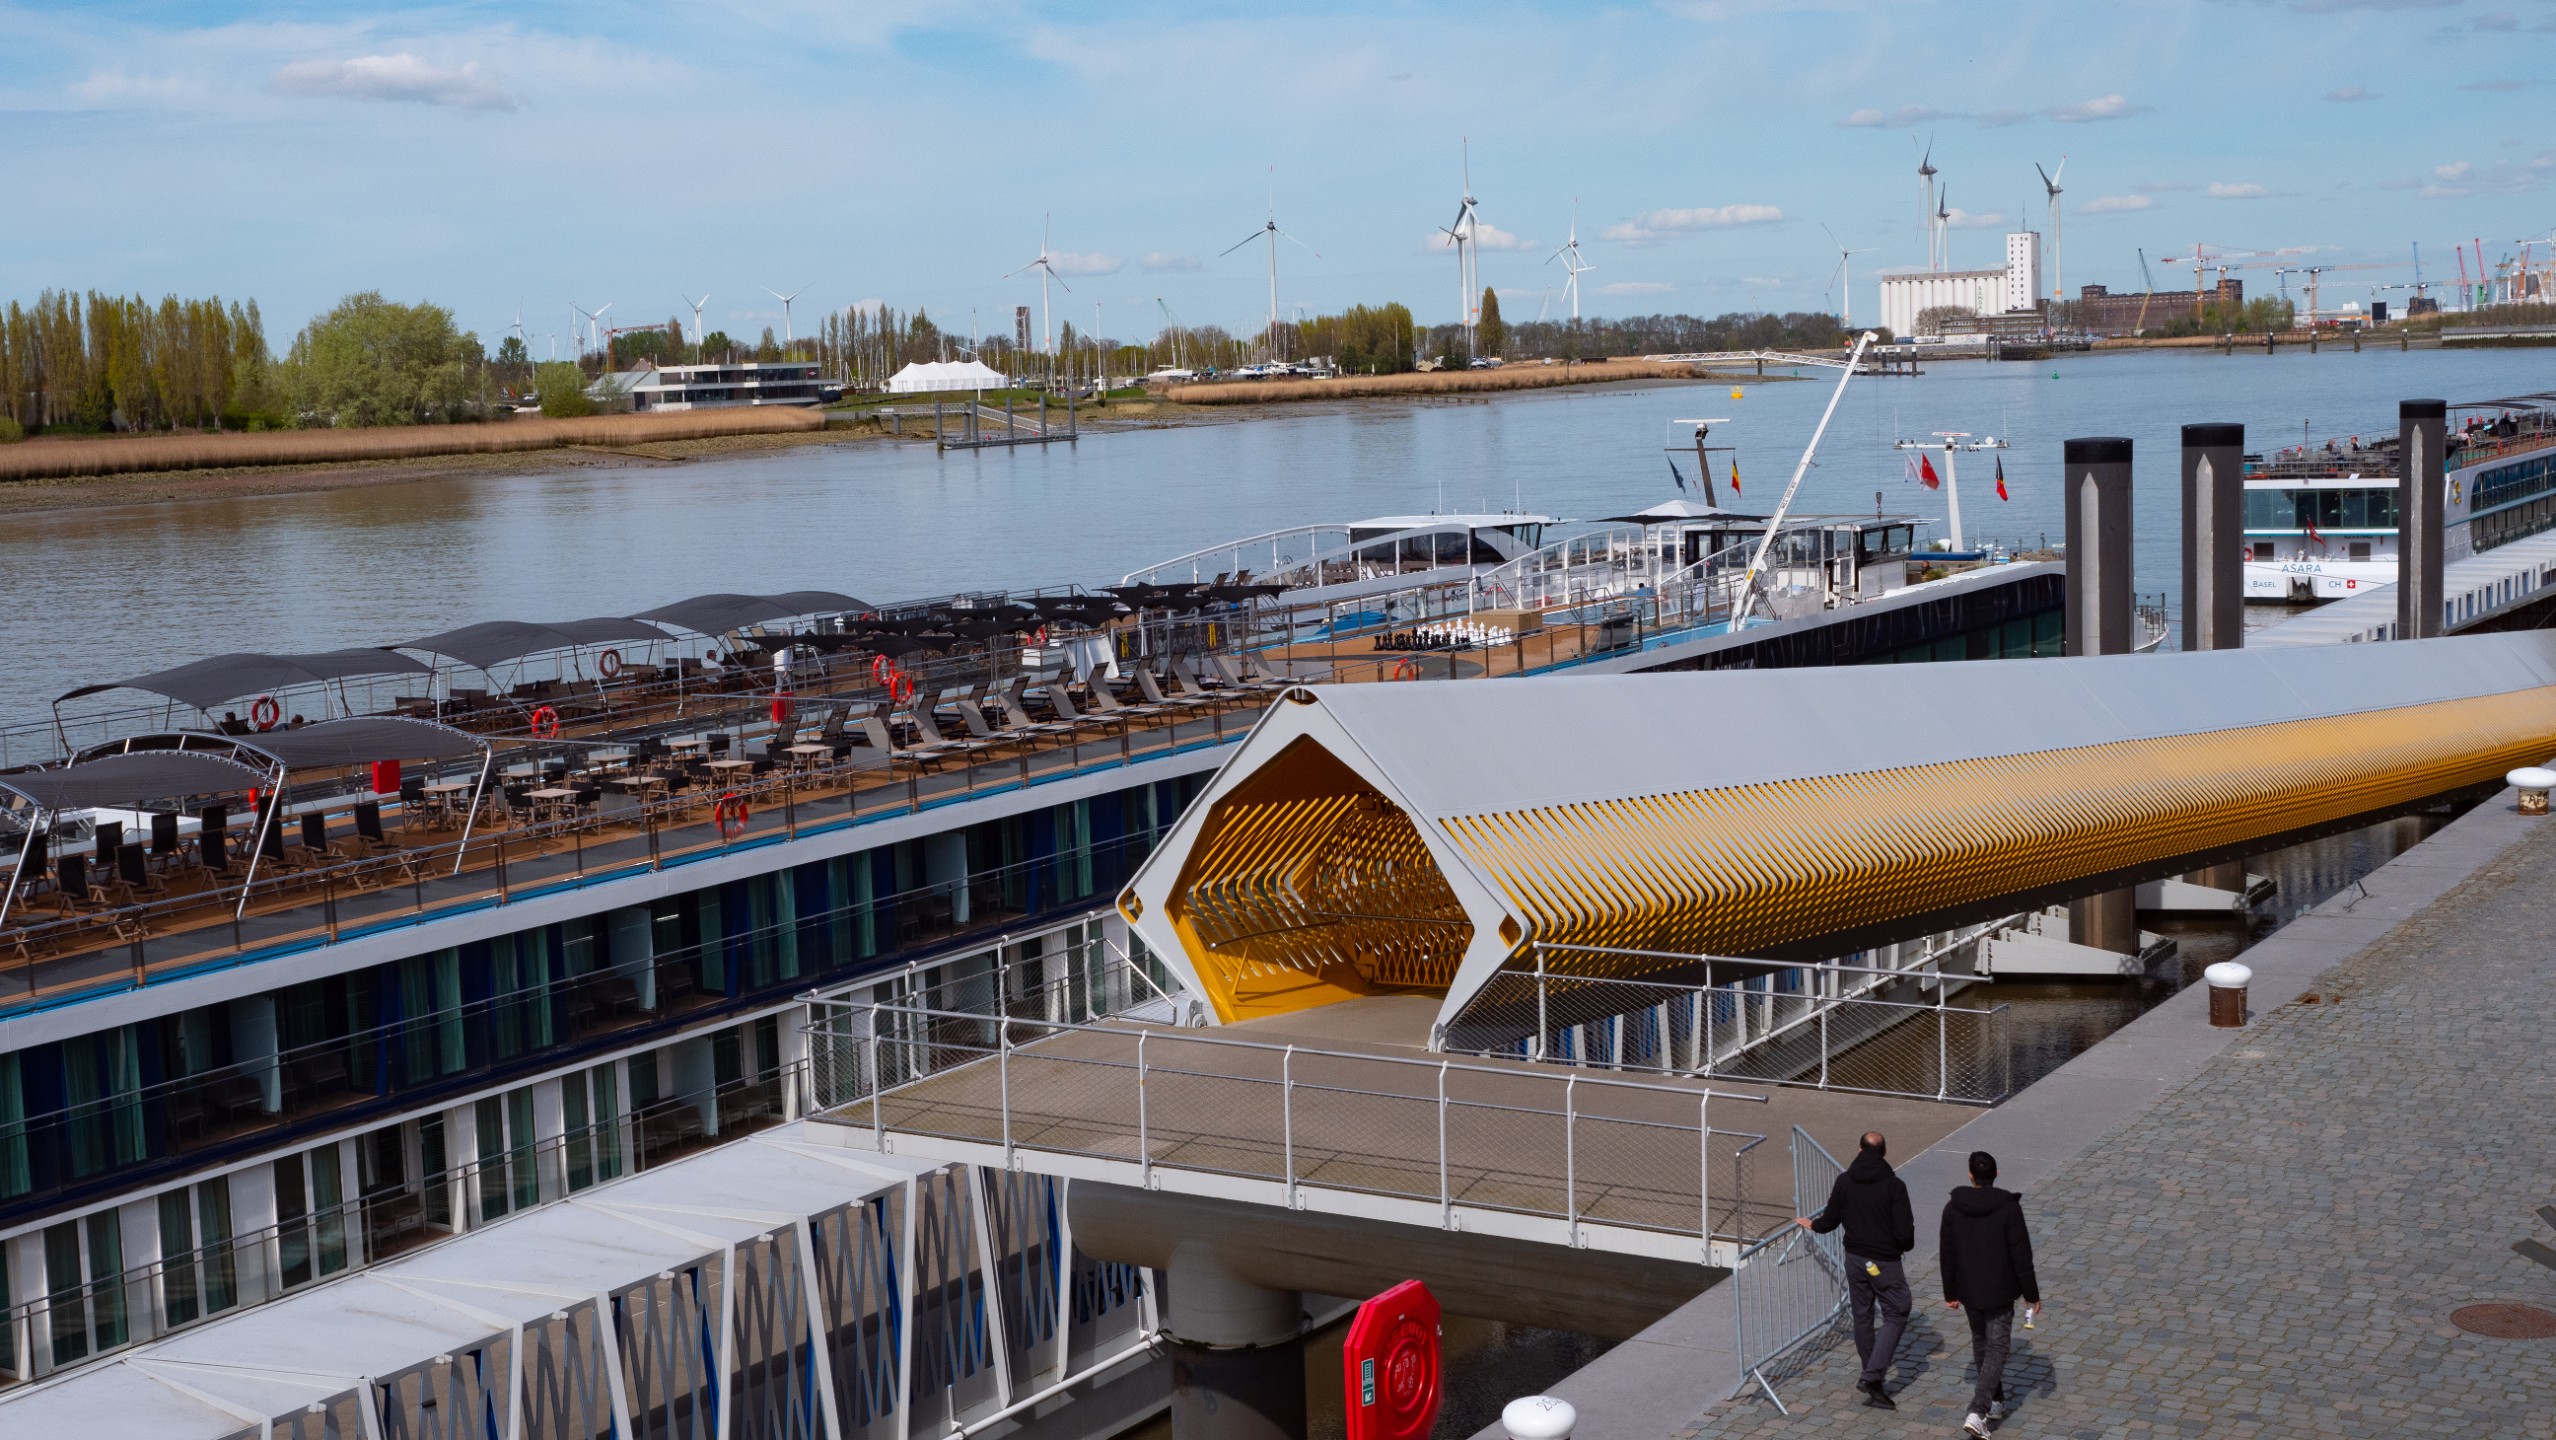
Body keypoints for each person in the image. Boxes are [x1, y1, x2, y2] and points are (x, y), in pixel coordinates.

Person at [1796, 1131, 1914, 1408]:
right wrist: (1900, 1244)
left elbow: (1830, 1220)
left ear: (1860, 1150)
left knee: (1862, 1316)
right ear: (1884, 1152)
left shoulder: (1845, 1181)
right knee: (1897, 1311)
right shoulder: (1894, 1186)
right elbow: (1905, 1235)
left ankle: (1872, 1376)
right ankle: (1872, 1377)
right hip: (1883, 1263)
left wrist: (1814, 1225)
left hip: (1855, 1260)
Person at [1940, 1151, 2042, 1438]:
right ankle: (1978, 1410)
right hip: (2000, 1290)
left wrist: (1950, 1291)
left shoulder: (1953, 1208)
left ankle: (1995, 1400)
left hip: (1969, 1289)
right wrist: (2031, 1295)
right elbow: (2021, 1254)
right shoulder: (2009, 1208)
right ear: (1996, 1174)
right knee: (1996, 1348)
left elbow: (1947, 1253)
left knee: (1981, 1342)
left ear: (1970, 1175)